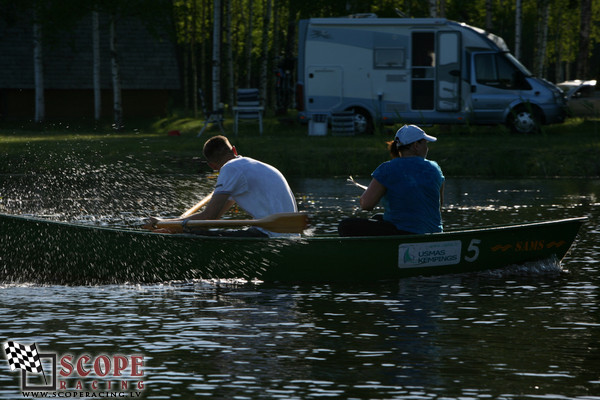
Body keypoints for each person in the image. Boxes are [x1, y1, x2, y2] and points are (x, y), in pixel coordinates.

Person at [147, 135, 297, 237]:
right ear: (234, 150)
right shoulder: (255, 166)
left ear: (212, 165)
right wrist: (176, 225)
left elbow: (209, 216)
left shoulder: (230, 168)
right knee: (200, 230)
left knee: (195, 235)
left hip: (269, 235)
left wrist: (163, 223)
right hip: (292, 236)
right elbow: (213, 218)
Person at [338, 124, 444, 236]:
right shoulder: (435, 168)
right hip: (434, 232)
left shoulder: (387, 169)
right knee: (378, 217)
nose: (427, 148)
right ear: (416, 145)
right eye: (425, 143)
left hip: (403, 233)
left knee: (345, 225)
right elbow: (438, 205)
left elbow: (366, 205)